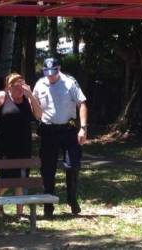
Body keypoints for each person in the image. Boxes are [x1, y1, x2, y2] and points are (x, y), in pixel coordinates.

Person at [33, 57, 88, 218]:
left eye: (53, 72)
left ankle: (72, 198)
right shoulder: (40, 84)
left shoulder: (70, 82)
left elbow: (82, 103)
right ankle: (48, 204)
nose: (50, 76)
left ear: (59, 69)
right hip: (48, 131)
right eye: (47, 73)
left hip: (68, 130)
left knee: (73, 165)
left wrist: (83, 128)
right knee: (47, 169)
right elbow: (35, 106)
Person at [0, 73, 41, 217]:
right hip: (6, 146)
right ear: (9, 86)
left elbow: (39, 115)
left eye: (23, 85)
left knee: (21, 178)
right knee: (8, 178)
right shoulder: (3, 96)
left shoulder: (27, 98)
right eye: (17, 86)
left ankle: (19, 214)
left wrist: (31, 96)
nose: (21, 89)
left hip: (24, 144)